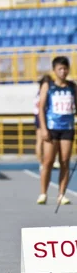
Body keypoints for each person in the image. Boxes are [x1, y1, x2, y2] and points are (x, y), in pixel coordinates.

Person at [37, 56, 76, 205]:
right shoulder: (48, 86)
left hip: (67, 128)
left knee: (65, 161)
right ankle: (43, 193)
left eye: (65, 68)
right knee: (48, 161)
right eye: (60, 69)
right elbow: (41, 108)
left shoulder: (72, 87)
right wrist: (43, 128)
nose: (63, 71)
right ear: (54, 70)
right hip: (52, 128)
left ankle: (61, 194)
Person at [34, 74, 60, 171]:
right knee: (41, 141)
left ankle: (53, 160)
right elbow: (40, 109)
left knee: (54, 141)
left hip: (50, 118)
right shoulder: (42, 94)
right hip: (41, 118)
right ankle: (42, 162)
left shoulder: (48, 92)